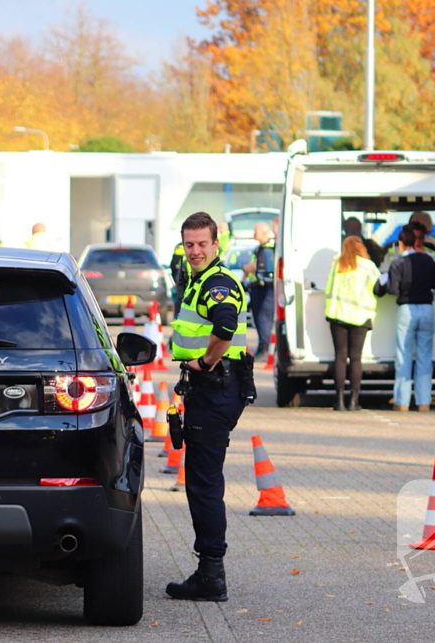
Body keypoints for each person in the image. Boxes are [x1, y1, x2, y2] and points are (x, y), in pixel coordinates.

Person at [166, 211, 251, 603]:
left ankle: (211, 574)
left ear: (217, 245)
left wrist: (205, 362)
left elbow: (225, 324)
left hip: (216, 388)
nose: (195, 251)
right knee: (202, 481)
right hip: (211, 390)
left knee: (203, 484)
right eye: (190, 245)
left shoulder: (216, 282)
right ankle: (208, 570)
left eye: (202, 244)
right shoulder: (198, 279)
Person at [377, 225, 435, 411]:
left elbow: (392, 289)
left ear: (400, 243)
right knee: (424, 357)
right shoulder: (428, 260)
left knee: (404, 356)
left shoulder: (397, 263)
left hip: (406, 309)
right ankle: (424, 402)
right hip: (427, 309)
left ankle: (402, 401)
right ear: (415, 242)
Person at [325, 236, 380, 410]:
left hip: (337, 314)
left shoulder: (336, 263)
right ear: (361, 248)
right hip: (360, 316)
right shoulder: (368, 265)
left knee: (340, 357)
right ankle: (354, 401)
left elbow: (329, 287)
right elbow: (379, 288)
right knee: (355, 358)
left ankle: (339, 400)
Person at [241, 222, 275, 360]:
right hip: (256, 287)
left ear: (265, 232)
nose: (254, 234)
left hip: (264, 288)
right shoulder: (260, 248)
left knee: (263, 318)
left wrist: (248, 268)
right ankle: (264, 346)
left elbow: (262, 267)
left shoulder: (267, 249)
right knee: (260, 318)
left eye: (256, 231)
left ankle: (264, 348)